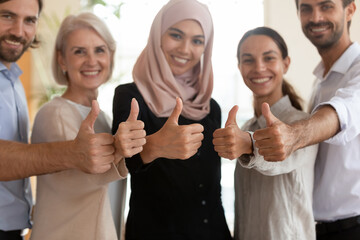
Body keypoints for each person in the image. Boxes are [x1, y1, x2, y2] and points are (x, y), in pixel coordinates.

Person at [0, 0, 138, 239]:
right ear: (62, 60)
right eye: (79, 51)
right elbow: (85, 181)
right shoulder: (55, 113)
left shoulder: (13, 81)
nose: (92, 61)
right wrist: (151, 147)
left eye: (100, 50)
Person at [112, 0, 232, 239]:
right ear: (158, 35)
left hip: (212, 232)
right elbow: (123, 164)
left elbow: (212, 187)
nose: (186, 49)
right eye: (176, 35)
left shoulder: (210, 107)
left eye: (198, 41)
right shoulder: (131, 96)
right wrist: (155, 146)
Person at [253, 0, 360, 239]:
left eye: (326, 6)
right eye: (306, 8)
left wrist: (293, 135)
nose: (315, 17)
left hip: (352, 227)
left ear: (350, 10)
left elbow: (343, 111)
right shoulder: (320, 78)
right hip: (316, 227)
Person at [213, 26, 318, 240]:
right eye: (248, 60)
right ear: (240, 66)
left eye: (269, 58)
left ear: (285, 64)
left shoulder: (303, 124)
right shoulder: (246, 128)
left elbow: (279, 159)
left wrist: (249, 144)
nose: (259, 67)